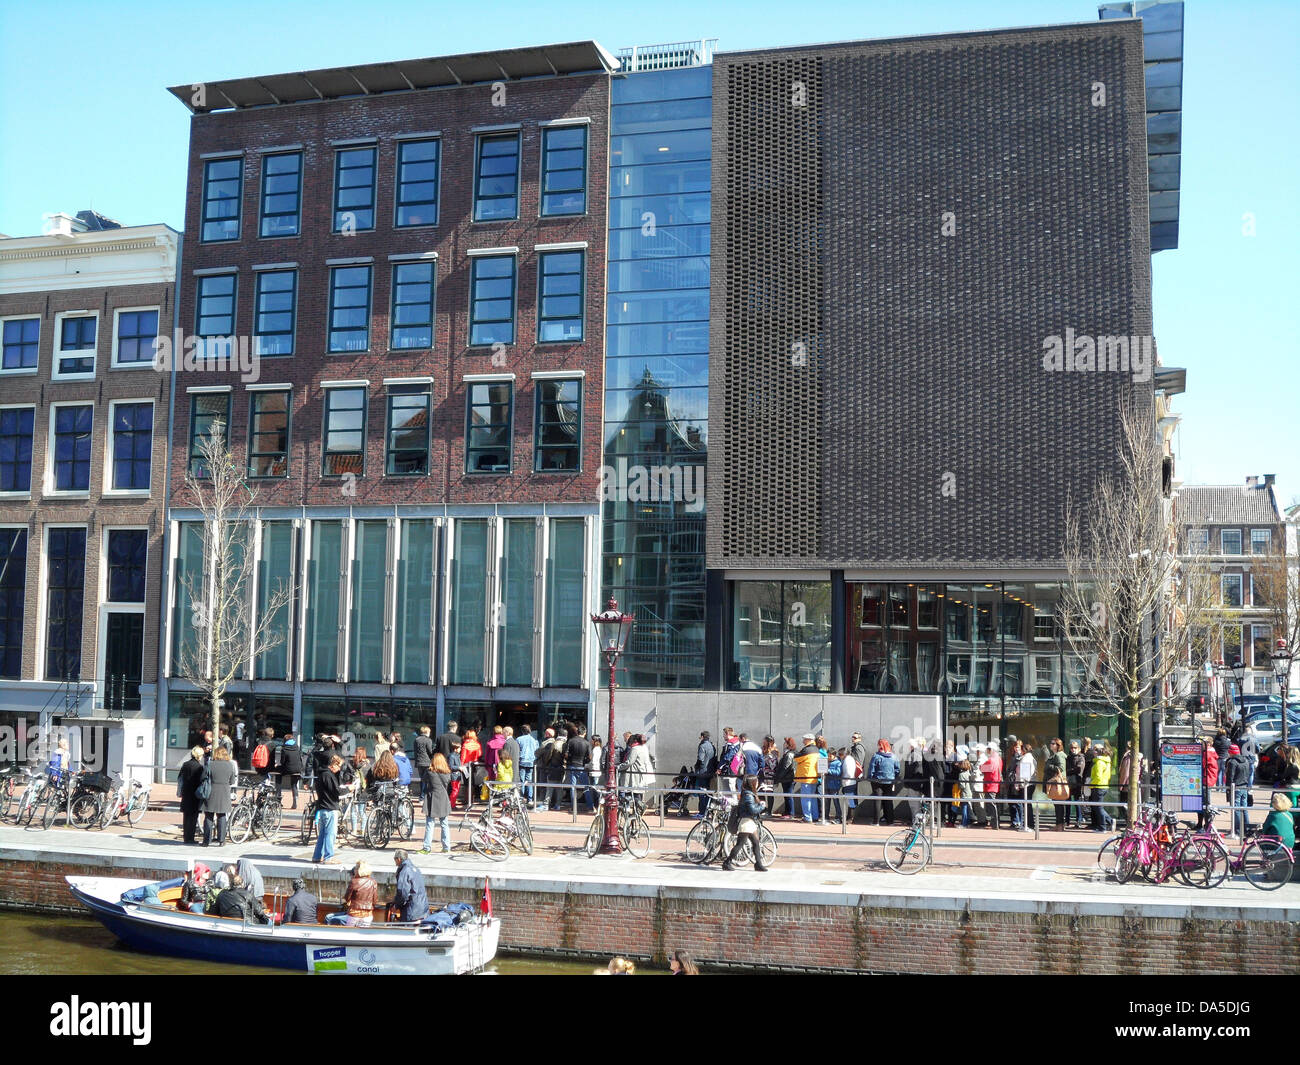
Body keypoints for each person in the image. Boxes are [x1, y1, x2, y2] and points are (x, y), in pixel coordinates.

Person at [724, 775, 769, 871]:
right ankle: (727, 862)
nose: (757, 783)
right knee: (740, 844)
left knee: (756, 843)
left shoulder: (748, 794)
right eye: (756, 782)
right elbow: (752, 810)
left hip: (750, 822)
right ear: (752, 783)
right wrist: (762, 806)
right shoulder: (748, 795)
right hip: (746, 822)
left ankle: (758, 864)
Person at [201, 745, 237, 847]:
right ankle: (221, 840)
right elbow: (232, 781)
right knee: (221, 816)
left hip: (211, 791)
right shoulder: (230, 765)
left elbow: (203, 776)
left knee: (208, 816)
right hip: (224, 792)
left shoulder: (210, 764)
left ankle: (206, 841)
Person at [313, 755, 343, 864]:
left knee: (323, 834)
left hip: (322, 807)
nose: (339, 769)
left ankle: (317, 856)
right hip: (330, 807)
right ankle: (328, 857)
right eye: (338, 766)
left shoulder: (321, 773)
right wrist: (349, 788)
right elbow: (336, 791)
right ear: (333, 764)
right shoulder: (328, 775)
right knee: (330, 833)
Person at [422, 752, 453, 853]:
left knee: (430, 824)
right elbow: (447, 783)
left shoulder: (430, 772)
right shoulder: (447, 773)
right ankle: (446, 847)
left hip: (432, 799)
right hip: (443, 798)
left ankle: (427, 847)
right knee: (444, 823)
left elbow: (423, 779)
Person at [391, 849, 430, 923]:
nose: (395, 862)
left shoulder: (404, 871)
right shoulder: (416, 869)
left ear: (399, 859)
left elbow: (403, 893)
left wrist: (396, 906)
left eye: (395, 859)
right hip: (423, 910)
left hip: (412, 912)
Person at [177, 745, 206, 844]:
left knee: (186, 817)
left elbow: (180, 778)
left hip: (186, 793)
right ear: (199, 756)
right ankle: (190, 838)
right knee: (193, 817)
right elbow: (201, 781)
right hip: (195, 794)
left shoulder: (185, 764)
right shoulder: (200, 767)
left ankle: (186, 837)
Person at [867, 739, 899, 825]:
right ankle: (890, 821)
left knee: (877, 801)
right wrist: (893, 777)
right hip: (889, 781)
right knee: (888, 801)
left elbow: (871, 769)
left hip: (877, 781)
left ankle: (876, 822)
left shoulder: (876, 756)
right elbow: (897, 769)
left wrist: (870, 777)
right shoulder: (894, 756)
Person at [563, 725, 593, 813]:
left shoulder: (571, 741)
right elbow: (590, 756)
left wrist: (569, 759)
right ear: (585, 733)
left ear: (577, 732)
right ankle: (590, 806)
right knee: (586, 787)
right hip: (582, 766)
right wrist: (586, 761)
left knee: (573, 787)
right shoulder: (587, 743)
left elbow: (566, 754)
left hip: (572, 765)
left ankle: (573, 807)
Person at [1223, 743, 1251, 839]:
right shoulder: (1246, 760)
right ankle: (1247, 828)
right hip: (1244, 786)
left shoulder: (1232, 762)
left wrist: (1228, 788)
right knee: (1244, 808)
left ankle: (1237, 830)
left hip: (1236, 787)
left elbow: (1230, 777)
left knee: (1236, 809)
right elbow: (1249, 773)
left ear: (1231, 752)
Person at [342, 861, 378, 926]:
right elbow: (375, 900)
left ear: (359, 870)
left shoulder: (354, 881)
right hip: (367, 914)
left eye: (356, 868)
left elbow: (347, 897)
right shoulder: (373, 882)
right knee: (364, 934)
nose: (355, 870)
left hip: (354, 913)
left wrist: (349, 901)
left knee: (350, 933)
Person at [794, 734, 820, 823]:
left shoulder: (807, 749)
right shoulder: (816, 749)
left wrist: (797, 752)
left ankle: (807, 817)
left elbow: (797, 758)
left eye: (804, 740)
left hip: (806, 776)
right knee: (813, 797)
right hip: (814, 777)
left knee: (805, 798)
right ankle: (815, 816)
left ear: (809, 740)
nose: (803, 741)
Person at [1044, 738, 1069, 831]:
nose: (1051, 745)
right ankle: (1059, 824)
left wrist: (1049, 766)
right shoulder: (1055, 755)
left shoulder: (1059, 755)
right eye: (1051, 743)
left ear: (1058, 745)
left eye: (1053, 743)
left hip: (1058, 783)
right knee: (1057, 805)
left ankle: (1060, 825)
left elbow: (1061, 768)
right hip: (1055, 782)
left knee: (1059, 805)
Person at [1089, 742, 1113, 832]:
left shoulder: (1099, 762)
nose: (1093, 752)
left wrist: (1091, 784)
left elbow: (1098, 776)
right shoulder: (1106, 761)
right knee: (1098, 807)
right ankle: (1110, 821)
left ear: (1098, 752)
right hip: (1104, 785)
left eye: (1095, 750)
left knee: (1098, 807)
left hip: (1098, 786)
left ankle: (1103, 827)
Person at [621, 734, 654, 799]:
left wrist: (620, 767)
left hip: (634, 773)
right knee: (638, 792)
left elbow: (630, 762)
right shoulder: (644, 747)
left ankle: (636, 806)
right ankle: (639, 806)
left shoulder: (635, 749)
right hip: (641, 772)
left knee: (633, 792)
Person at [278, 732, 305, 809]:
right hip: (298, 769)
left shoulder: (284, 749)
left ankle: (278, 798)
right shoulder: (297, 747)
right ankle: (295, 799)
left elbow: (282, 762)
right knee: (294, 784)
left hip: (288, 769)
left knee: (278, 777)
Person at [693, 731, 716, 817]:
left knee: (701, 792)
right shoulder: (712, 746)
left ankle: (702, 812)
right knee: (708, 792)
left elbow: (700, 759)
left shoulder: (702, 746)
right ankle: (707, 811)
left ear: (702, 736)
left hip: (702, 771)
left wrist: (696, 766)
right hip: (710, 771)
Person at [1066, 740, 1087, 827]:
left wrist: (1069, 771)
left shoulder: (1081, 757)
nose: (1073, 749)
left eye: (1075, 748)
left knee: (1077, 801)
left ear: (1078, 748)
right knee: (1067, 801)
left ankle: (1079, 820)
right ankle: (1067, 820)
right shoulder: (1068, 757)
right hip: (1068, 782)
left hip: (1077, 782)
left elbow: (1079, 769)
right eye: (1071, 748)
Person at [775, 737, 797, 819]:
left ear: (788, 744)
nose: (783, 744)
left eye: (785, 743)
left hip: (788, 778)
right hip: (788, 777)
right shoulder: (789, 753)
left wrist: (779, 777)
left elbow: (786, 767)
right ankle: (787, 812)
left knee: (789, 795)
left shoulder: (789, 754)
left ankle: (791, 813)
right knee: (787, 795)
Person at [516, 725, 538, 805]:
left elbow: (517, 751)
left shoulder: (519, 739)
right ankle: (530, 799)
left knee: (521, 780)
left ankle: (521, 798)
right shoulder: (534, 740)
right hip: (531, 762)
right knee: (529, 780)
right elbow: (536, 751)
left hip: (522, 761)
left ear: (522, 731)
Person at [826, 748, 844, 823]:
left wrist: (828, 771)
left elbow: (838, 772)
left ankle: (839, 817)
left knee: (836, 801)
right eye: (828, 756)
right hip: (827, 784)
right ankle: (826, 816)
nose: (829, 757)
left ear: (834, 755)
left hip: (834, 785)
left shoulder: (838, 763)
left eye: (830, 756)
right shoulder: (827, 762)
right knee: (827, 801)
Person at [956, 759, 973, 826]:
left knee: (964, 808)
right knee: (968, 808)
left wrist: (958, 785)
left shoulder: (961, 774)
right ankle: (967, 822)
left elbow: (962, 786)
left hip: (964, 793)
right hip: (969, 792)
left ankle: (964, 823)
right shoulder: (969, 773)